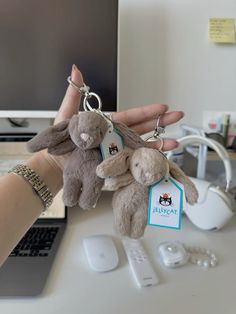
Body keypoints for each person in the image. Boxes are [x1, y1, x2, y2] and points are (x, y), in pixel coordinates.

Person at [0, 65, 184, 267]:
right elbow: (56, 135)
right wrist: (45, 156)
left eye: (95, 132)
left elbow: (110, 163)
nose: (87, 138)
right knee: (71, 185)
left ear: (104, 131)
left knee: (92, 185)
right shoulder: (71, 129)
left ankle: (90, 202)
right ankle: (75, 198)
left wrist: (140, 150)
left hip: (94, 172)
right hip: (72, 169)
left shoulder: (110, 133)